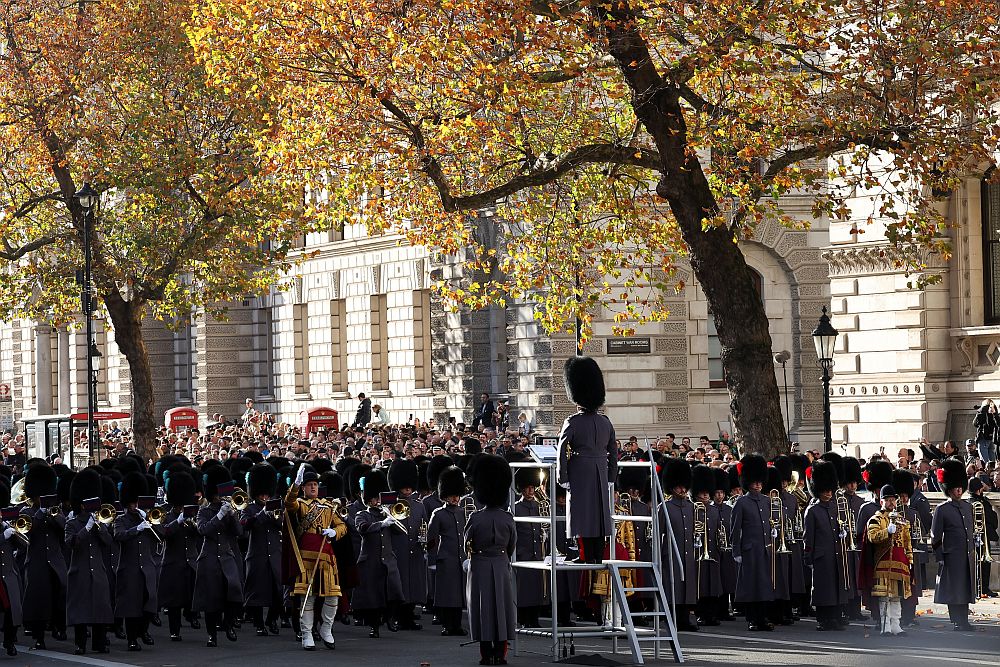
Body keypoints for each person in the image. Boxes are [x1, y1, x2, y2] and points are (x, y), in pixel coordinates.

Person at [556, 356, 617, 564]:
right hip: (600, 469)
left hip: (579, 469)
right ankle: (597, 556)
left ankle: (584, 555)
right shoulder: (605, 422)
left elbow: (562, 449)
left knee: (582, 514)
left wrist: (562, 476)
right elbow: (613, 451)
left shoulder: (572, 422)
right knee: (599, 515)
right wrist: (611, 476)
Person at [285, 463, 347, 649]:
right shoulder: (301, 504)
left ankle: (326, 629)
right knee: (307, 597)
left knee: (332, 596)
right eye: (309, 484)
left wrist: (334, 532)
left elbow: (342, 525)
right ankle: (306, 634)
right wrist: (295, 484)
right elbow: (289, 503)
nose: (313, 487)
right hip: (305, 558)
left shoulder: (328, 506)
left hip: (326, 557)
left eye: (315, 484)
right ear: (303, 487)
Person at [465, 454, 517, 666]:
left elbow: (467, 544)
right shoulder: (507, 517)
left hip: (479, 565)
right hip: (501, 563)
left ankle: (486, 655)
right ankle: (501, 654)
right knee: (503, 610)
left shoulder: (475, 518)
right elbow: (512, 544)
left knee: (482, 609)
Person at [193, 466, 245, 647]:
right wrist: (220, 515)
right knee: (211, 599)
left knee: (235, 592)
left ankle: (229, 623)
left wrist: (232, 515)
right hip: (209, 557)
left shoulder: (230, 508)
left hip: (227, 555)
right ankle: (211, 634)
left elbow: (239, 532)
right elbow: (203, 530)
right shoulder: (204, 511)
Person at [65, 469, 113, 655]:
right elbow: (71, 543)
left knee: (100, 608)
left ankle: (99, 643)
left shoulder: (99, 522)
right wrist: (86, 528)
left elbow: (108, 542)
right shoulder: (72, 524)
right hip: (80, 571)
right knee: (80, 611)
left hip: (98, 571)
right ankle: (80, 644)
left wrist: (99, 528)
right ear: (82, 504)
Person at [20, 462, 68, 650]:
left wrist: (54, 516)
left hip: (56, 560)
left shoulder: (55, 510)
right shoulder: (26, 512)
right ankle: (39, 636)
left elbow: (64, 529)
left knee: (61, 595)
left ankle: (59, 626)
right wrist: (39, 515)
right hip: (37, 561)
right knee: (39, 600)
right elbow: (27, 532)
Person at [353, 470, 405, 638]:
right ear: (369, 499)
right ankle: (374, 626)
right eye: (375, 498)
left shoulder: (387, 514)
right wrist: (382, 523)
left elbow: (400, 532)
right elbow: (363, 528)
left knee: (394, 592)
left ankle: (390, 618)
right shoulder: (363, 514)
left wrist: (392, 517)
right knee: (373, 598)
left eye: (379, 498)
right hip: (371, 561)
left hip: (388, 560)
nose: (377, 501)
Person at [113, 471, 158, 652]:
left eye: (137, 503)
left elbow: (161, 534)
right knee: (132, 606)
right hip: (130, 569)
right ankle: (132, 638)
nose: (135, 506)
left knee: (150, 602)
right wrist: (137, 528)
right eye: (132, 503)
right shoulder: (121, 520)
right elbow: (119, 536)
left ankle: (143, 631)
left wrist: (148, 521)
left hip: (147, 567)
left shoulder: (148, 519)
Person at [729, 454, 775, 631]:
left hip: (764, 549)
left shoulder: (767, 501)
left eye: (759, 482)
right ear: (747, 482)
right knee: (751, 586)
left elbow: (770, 522)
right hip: (748, 550)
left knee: (764, 585)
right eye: (754, 482)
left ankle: (763, 617)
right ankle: (752, 619)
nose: (757, 485)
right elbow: (735, 529)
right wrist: (736, 551)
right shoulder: (741, 503)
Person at [931, 458, 977, 631]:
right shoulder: (942, 509)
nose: (958, 491)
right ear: (948, 489)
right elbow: (935, 537)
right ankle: (957, 620)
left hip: (966, 553)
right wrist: (940, 557)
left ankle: (963, 619)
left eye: (960, 487)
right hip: (951, 555)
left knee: (965, 589)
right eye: (955, 488)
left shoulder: (967, 507)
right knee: (954, 589)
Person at [803, 459, 849, 631]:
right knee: (823, 588)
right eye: (825, 490)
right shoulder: (812, 511)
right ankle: (823, 619)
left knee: (836, 587)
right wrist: (808, 556)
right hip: (821, 555)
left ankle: (835, 617)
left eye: (830, 490)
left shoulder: (834, 508)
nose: (828, 493)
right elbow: (809, 536)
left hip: (835, 553)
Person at [862, 485, 912, 636]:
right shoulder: (875, 519)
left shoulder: (902, 520)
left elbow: (907, 541)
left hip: (900, 563)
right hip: (883, 562)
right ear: (881, 501)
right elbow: (872, 537)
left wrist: (910, 558)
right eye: (888, 500)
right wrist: (887, 531)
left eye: (893, 500)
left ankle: (896, 624)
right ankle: (885, 625)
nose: (891, 502)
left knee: (896, 596)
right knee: (885, 596)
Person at [242, 463, 283, 637]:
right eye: (262, 494)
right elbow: (245, 525)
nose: (265, 497)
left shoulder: (276, 507)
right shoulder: (249, 508)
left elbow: (283, 524)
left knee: (279, 591)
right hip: (257, 554)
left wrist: (275, 515)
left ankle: (271, 619)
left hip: (275, 553)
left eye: (267, 493)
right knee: (257, 591)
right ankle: (259, 623)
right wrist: (262, 514)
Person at [158, 469, 200, 642]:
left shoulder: (193, 514)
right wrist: (179, 520)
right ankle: (174, 630)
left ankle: (192, 616)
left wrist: (193, 525)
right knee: (174, 601)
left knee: (192, 596)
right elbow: (164, 533)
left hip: (190, 561)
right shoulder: (166, 515)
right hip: (173, 562)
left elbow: (200, 534)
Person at [428, 465, 468, 636]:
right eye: (452, 495)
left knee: (458, 594)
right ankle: (447, 624)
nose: (455, 498)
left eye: (457, 495)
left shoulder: (462, 512)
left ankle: (456, 624)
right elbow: (431, 539)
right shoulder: (438, 514)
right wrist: (432, 560)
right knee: (446, 595)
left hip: (460, 558)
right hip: (445, 558)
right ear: (445, 495)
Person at [388, 458, 428, 630]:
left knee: (413, 584)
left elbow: (423, 524)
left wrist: (424, 539)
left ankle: (408, 616)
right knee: (400, 584)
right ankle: (396, 616)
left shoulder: (419, 506)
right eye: (404, 485)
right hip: (398, 549)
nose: (407, 488)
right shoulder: (390, 504)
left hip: (414, 549)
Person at [513, 467, 546, 628]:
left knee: (536, 590)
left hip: (536, 553)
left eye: (532, 487)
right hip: (522, 553)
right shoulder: (516, 507)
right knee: (523, 590)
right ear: (521, 488)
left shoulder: (539, 506)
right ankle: (524, 618)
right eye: (527, 488)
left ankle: (534, 618)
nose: (530, 490)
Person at [0, 478, 22, 656]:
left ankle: (9, 641)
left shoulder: (5, 522)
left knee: (12, 609)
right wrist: (3, 537)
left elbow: (24, 545)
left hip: (8, 572)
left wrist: (15, 533)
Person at [968, 477, 998, 598]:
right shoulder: (982, 503)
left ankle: (975, 588)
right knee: (984, 564)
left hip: (973, 538)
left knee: (976, 563)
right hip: (982, 538)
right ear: (979, 489)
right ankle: (984, 588)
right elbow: (993, 521)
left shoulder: (967, 503)